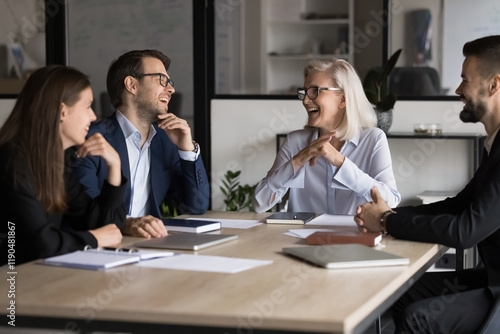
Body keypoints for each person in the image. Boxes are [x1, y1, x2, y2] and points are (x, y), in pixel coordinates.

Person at [354, 35, 500, 333]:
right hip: (490, 277)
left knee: (418, 317)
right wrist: (390, 216)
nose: (458, 90)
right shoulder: (494, 145)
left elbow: (465, 231)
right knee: (398, 290)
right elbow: (458, 205)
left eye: (464, 80)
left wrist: (384, 221)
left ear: (494, 85)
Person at [77, 50, 210, 239]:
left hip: (149, 246)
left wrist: (186, 150)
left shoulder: (165, 141)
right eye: (161, 80)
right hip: (101, 248)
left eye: (169, 83)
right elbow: (84, 212)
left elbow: (196, 206)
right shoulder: (92, 139)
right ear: (131, 84)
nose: (170, 89)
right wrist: (125, 222)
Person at [0, 65, 126, 265]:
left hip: (35, 279)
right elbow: (38, 243)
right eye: (87, 106)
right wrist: (94, 238)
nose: (93, 116)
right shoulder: (11, 161)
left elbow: (105, 227)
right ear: (62, 111)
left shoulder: (58, 162)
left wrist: (114, 166)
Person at [252, 58, 401, 214]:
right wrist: (298, 160)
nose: (306, 101)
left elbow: (391, 201)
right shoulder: (295, 142)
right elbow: (259, 203)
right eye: (305, 92)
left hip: (353, 237)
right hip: (302, 238)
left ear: (342, 99)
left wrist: (341, 163)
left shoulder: (373, 139)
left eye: (315, 91)